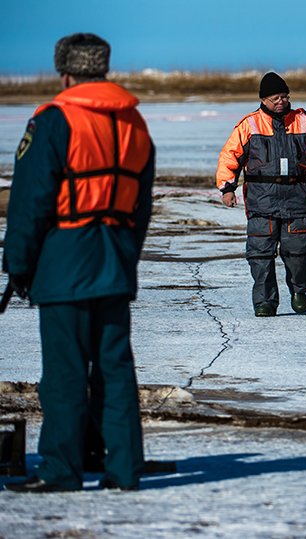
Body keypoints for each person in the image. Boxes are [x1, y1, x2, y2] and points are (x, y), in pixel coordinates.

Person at [2, 33, 155, 492]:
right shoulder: (135, 122)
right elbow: (141, 205)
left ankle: (61, 469)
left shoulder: (53, 120)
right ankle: (125, 470)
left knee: (65, 373)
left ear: (65, 71)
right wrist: (126, 255)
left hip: (64, 260)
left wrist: (18, 265)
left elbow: (30, 200)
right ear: (103, 69)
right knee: (115, 370)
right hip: (115, 257)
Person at [216, 72, 306, 317]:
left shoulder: (303, 122)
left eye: (284, 96)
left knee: (300, 252)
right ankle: (265, 302)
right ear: (263, 100)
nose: (281, 101)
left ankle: (299, 290)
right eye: (275, 98)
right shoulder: (249, 125)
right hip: (262, 201)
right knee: (260, 254)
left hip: (297, 198)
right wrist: (227, 188)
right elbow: (230, 157)